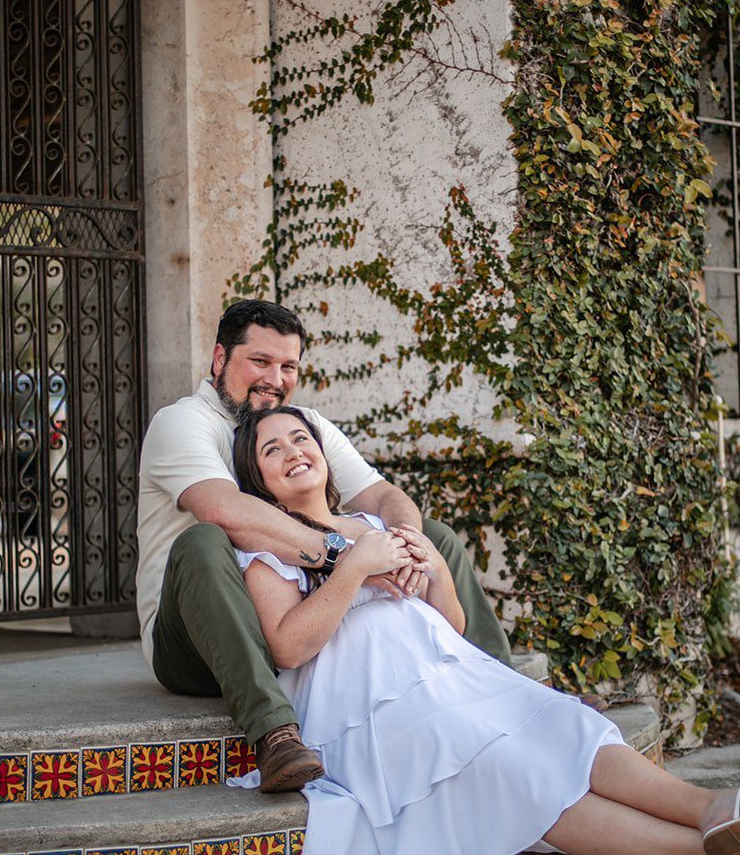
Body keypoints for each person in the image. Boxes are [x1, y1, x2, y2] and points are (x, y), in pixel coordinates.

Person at [226, 405, 740, 855]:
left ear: (326, 455)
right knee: (526, 777)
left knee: (569, 725)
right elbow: (289, 643)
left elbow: (445, 624)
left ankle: (717, 809)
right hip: (373, 710)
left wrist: (433, 572)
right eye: (271, 450)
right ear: (259, 480)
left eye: (300, 439)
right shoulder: (266, 550)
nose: (293, 452)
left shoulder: (372, 527)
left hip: (450, 678)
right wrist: (354, 568)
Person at [136, 299, 511, 792]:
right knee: (205, 542)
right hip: (194, 636)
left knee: (433, 537)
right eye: (260, 361)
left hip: (289, 614)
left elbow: (383, 495)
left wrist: (403, 544)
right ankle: (275, 734)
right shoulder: (182, 423)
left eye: (288, 365)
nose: (275, 377)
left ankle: (501, 687)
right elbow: (230, 514)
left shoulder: (301, 423)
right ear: (219, 359)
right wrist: (350, 556)